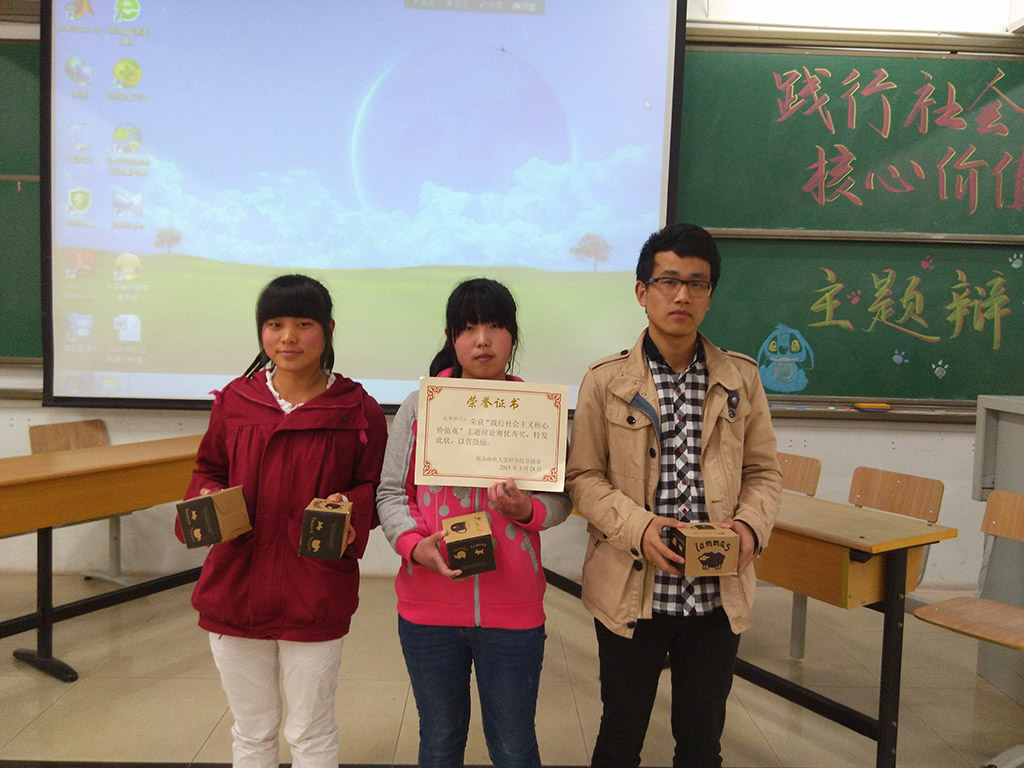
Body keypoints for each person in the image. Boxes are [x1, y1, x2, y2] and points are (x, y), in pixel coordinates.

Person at [565, 223, 782, 768]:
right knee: (620, 737)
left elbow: (764, 472)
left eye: (696, 283)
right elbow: (583, 477)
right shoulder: (605, 381)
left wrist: (750, 527)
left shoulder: (741, 379)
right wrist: (638, 527)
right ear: (642, 291)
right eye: (668, 281)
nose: (681, 295)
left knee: (702, 741)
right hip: (632, 592)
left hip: (715, 596)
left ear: (710, 294)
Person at [176, 274, 387, 768]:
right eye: (274, 324)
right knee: (252, 731)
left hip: (315, 589)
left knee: (311, 730)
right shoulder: (235, 400)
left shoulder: (358, 409)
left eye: (303, 324)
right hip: (236, 587)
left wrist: (351, 511)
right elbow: (208, 469)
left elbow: (377, 487)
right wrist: (206, 495)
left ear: (328, 330)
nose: (288, 337)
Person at [376, 277, 572, 768]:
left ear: (512, 334)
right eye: (467, 328)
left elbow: (562, 498)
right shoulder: (419, 407)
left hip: (514, 611)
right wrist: (414, 545)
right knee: (440, 742)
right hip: (427, 610)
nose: (481, 340)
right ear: (451, 336)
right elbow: (391, 492)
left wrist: (526, 511)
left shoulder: (538, 411)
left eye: (494, 326)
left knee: (514, 746)